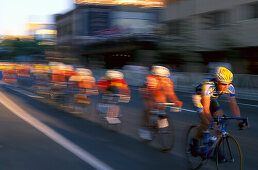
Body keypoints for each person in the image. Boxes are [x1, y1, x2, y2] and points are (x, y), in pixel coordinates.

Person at [191, 67, 248, 156]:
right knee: (206, 122)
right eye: (224, 84)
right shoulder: (208, 85)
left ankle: (215, 147)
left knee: (220, 118)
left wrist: (239, 121)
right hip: (199, 98)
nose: (227, 87)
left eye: (229, 84)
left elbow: (234, 106)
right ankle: (194, 142)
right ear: (217, 82)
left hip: (211, 98)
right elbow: (206, 109)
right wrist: (212, 121)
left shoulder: (230, 87)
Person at [139, 65, 183, 140]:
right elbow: (149, 93)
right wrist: (152, 104)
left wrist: (175, 101)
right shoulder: (150, 79)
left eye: (164, 77)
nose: (163, 79)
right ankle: (146, 127)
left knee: (161, 107)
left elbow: (170, 93)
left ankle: (161, 126)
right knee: (149, 108)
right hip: (148, 94)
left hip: (159, 95)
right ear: (155, 75)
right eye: (160, 77)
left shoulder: (167, 81)